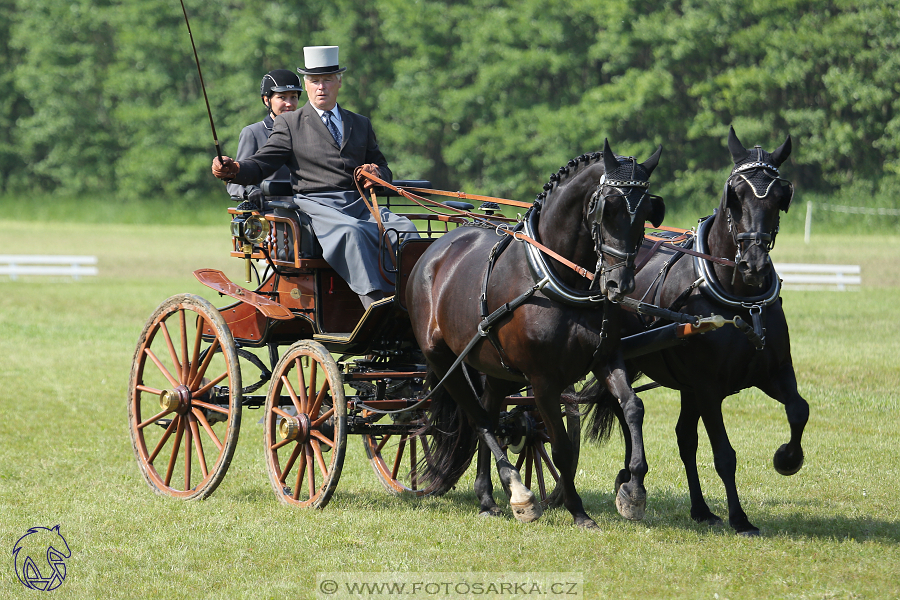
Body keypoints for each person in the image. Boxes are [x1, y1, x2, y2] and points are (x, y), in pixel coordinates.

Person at [212, 46, 418, 309]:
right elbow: (262, 163)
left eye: (328, 80)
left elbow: (383, 167)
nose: (321, 87)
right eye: (314, 81)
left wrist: (376, 173)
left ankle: (412, 298)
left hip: (360, 204)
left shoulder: (360, 123)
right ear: (307, 86)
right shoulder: (289, 124)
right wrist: (235, 169)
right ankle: (376, 306)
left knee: (405, 230)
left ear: (339, 82)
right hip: (318, 206)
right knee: (351, 232)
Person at [226, 69, 302, 203]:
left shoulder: (306, 131)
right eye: (282, 97)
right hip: (271, 211)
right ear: (267, 100)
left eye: (294, 97)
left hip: (307, 207)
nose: (289, 103)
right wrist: (251, 190)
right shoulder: (253, 133)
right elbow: (236, 180)